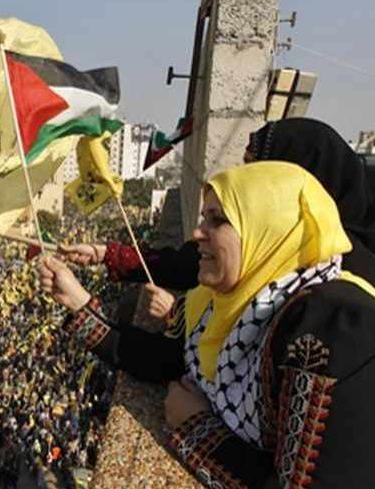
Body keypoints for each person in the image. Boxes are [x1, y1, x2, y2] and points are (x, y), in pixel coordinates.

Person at [39, 161, 375, 487]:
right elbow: (165, 361)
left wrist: (195, 427)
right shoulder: (224, 300)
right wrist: (78, 302)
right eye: (203, 217)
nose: (198, 233)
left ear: (268, 231)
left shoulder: (332, 329)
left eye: (218, 220)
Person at [64, 118, 375, 322]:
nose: (200, 233)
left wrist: (176, 318)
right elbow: (185, 264)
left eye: (257, 170)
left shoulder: (341, 294)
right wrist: (105, 253)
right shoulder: (267, 241)